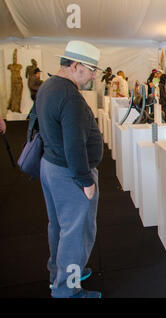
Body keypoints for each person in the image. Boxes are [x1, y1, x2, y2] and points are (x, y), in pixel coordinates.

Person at [35, 40, 104, 298]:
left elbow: (35, 124)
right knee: (76, 235)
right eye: (91, 69)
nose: (94, 75)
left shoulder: (49, 85)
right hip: (69, 173)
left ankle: (59, 272)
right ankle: (68, 291)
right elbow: (74, 143)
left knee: (60, 227)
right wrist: (85, 180)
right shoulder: (70, 95)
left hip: (51, 167)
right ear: (75, 66)